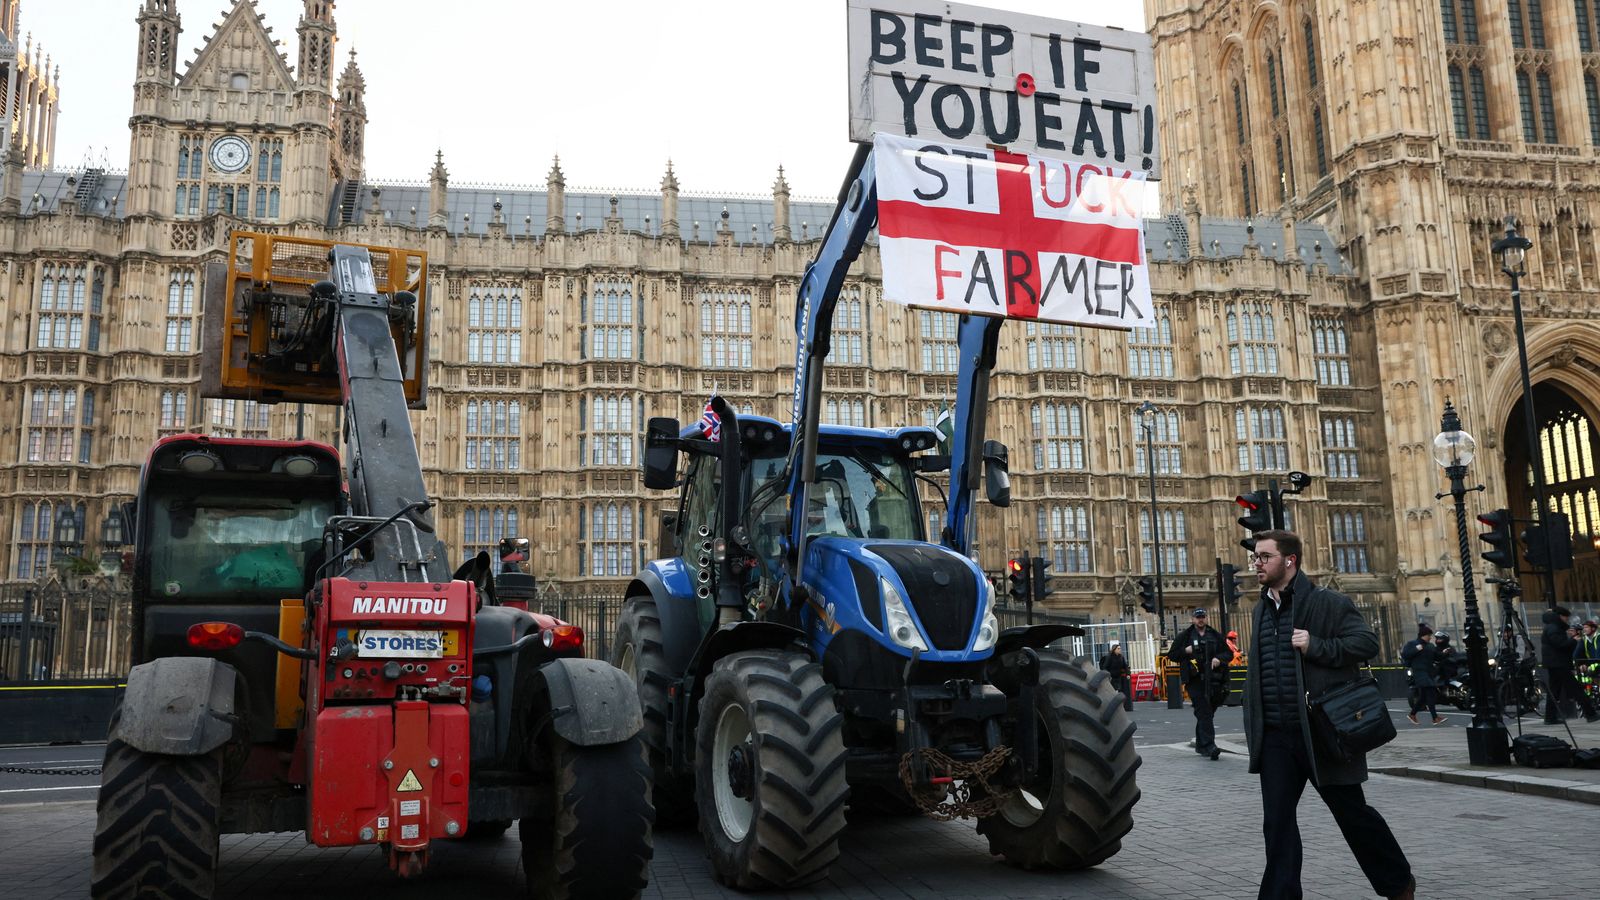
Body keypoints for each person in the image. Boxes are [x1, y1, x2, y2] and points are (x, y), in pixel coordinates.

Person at [1241, 530, 1414, 900]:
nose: (1256, 563)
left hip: (1321, 733)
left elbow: (1366, 644)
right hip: (1276, 736)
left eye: (1264, 557)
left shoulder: (1327, 603)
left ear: (1290, 561)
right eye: (1255, 557)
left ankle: (1398, 883)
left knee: (1353, 816)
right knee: (1278, 826)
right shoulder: (1259, 609)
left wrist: (1316, 645)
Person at [1168, 607, 1230, 761]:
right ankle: (1210, 746)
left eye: (1203, 617)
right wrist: (1186, 651)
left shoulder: (1215, 635)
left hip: (1213, 678)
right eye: (1198, 617)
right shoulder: (1186, 636)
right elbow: (1172, 655)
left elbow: (1228, 653)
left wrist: (1218, 659)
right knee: (1204, 711)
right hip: (1194, 680)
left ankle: (1201, 744)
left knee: (1207, 712)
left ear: (1206, 618)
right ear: (1193, 619)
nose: (1200, 619)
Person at [1543, 606, 1599, 724]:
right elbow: (1560, 644)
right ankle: (1591, 714)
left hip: (1554, 663)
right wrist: (1574, 640)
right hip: (1559, 663)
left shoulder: (1551, 627)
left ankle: (1550, 717)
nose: (1567, 620)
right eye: (1566, 618)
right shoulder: (1554, 628)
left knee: (1554, 691)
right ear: (1560, 616)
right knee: (1576, 689)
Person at [1400, 624, 1443, 726]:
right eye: (1429, 635)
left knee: (1423, 697)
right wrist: (1416, 649)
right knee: (1431, 692)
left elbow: (1437, 657)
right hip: (1419, 673)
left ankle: (1412, 714)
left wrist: (1445, 653)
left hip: (1428, 673)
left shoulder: (1430, 646)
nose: (1430, 637)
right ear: (1423, 635)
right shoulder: (1413, 644)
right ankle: (1435, 718)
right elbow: (1405, 655)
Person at [1100, 641, 1133, 711]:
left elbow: (1125, 666)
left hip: (1118, 677)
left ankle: (1118, 706)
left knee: (1118, 691)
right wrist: (1108, 676)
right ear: (1114, 650)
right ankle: (1109, 706)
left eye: (1120, 648)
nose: (1120, 650)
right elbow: (1105, 667)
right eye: (1118, 648)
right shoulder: (1110, 657)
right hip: (1111, 677)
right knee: (1112, 692)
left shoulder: (1121, 657)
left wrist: (1128, 673)